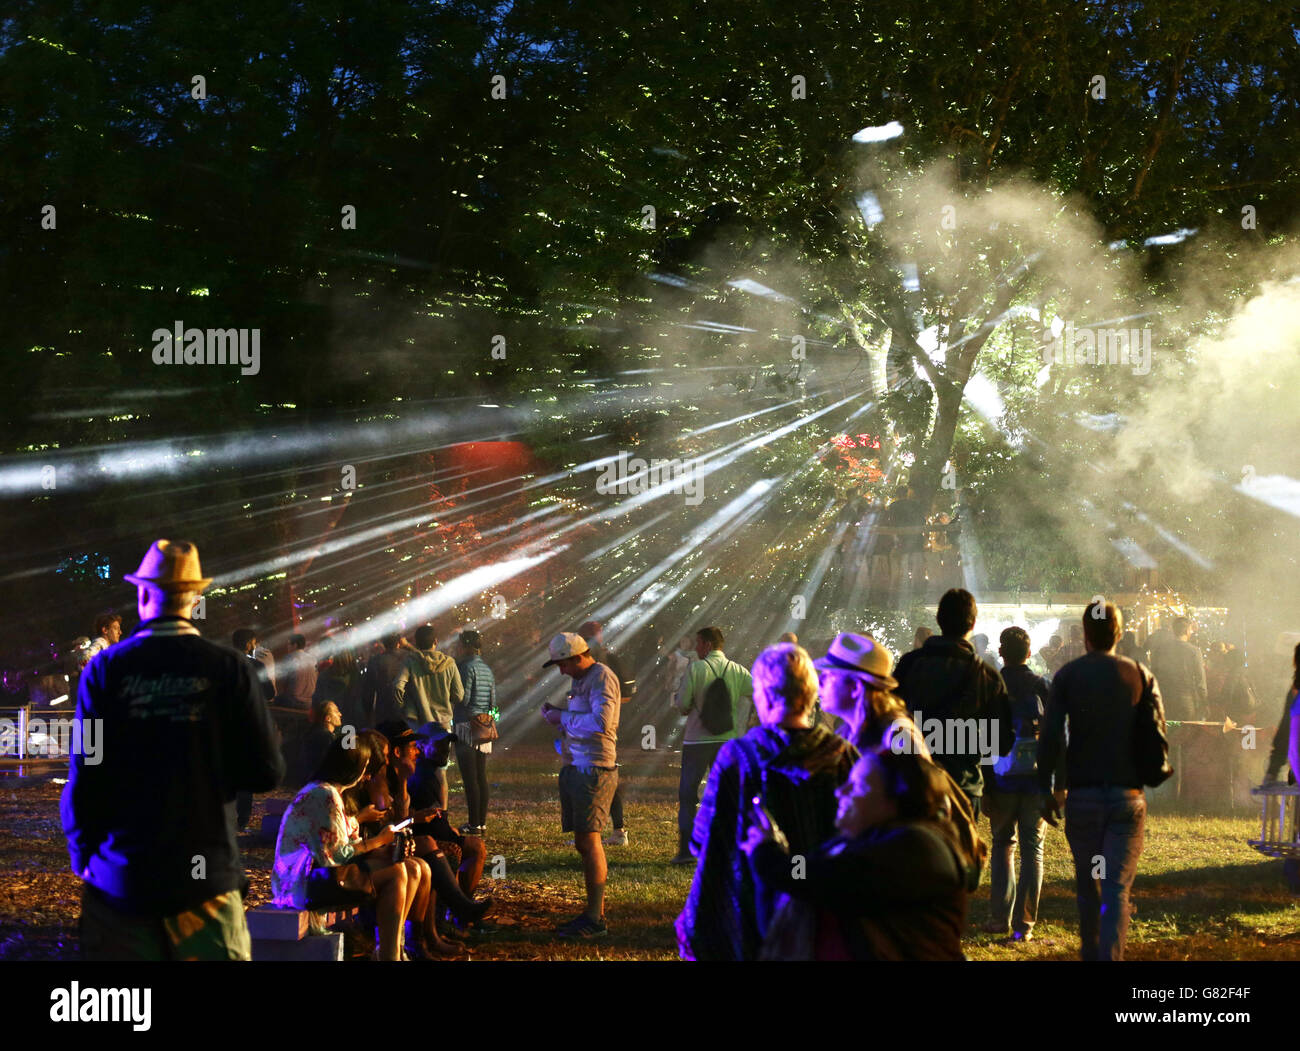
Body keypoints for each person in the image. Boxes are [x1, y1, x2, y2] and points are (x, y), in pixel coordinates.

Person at [61, 539, 284, 960]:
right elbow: (266, 771)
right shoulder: (230, 669)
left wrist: (85, 855)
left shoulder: (105, 670)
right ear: (195, 598)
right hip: (206, 884)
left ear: (143, 593)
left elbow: (86, 770)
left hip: (123, 881)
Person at [675, 643, 857, 960]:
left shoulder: (739, 756)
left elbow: (703, 839)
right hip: (824, 910)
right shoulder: (842, 755)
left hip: (748, 912)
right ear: (812, 693)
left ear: (765, 695)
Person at [742, 748, 973, 960]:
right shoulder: (857, 841)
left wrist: (769, 855)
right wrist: (777, 853)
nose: (841, 791)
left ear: (897, 800)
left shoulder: (919, 847)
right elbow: (808, 867)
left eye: (858, 785)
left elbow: (824, 876)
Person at [1039, 600, 1165, 961]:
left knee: (1089, 884)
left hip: (1084, 796)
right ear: (1119, 634)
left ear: (1084, 634)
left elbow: (1051, 736)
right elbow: (1155, 731)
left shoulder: (1068, 676)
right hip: (1127, 796)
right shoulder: (1139, 674)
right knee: (1115, 888)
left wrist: (1048, 787)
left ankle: (1091, 953)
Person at [272, 733, 420, 961]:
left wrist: (378, 847)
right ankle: (388, 955)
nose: (366, 775)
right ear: (353, 768)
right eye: (364, 768)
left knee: (409, 867)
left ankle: (394, 950)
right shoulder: (325, 795)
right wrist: (378, 842)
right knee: (397, 872)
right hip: (300, 885)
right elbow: (337, 856)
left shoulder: (329, 792)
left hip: (312, 876)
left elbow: (339, 846)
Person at [892, 588, 1013, 820]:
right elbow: (1001, 743)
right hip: (963, 790)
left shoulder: (909, 665)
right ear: (973, 624)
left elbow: (887, 719)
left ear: (939, 620)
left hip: (913, 784)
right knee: (959, 856)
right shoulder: (986, 675)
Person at [376, 721, 493, 952]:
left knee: (462, 848)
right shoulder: (395, 778)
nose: (417, 751)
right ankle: (431, 933)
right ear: (398, 751)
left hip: (404, 842)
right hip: (387, 846)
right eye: (413, 747)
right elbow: (394, 824)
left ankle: (451, 919)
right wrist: (407, 794)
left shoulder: (411, 774)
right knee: (431, 853)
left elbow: (403, 819)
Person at [540, 633, 620, 937]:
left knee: (590, 842)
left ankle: (595, 919)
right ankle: (592, 913)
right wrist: (560, 719)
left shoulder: (602, 677)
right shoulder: (581, 680)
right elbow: (583, 717)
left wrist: (563, 716)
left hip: (593, 768)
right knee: (584, 843)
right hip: (578, 766)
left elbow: (603, 722)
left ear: (578, 657)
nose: (561, 671)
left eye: (563, 664)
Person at [983, 627, 1050, 942]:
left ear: (1001, 651)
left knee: (1002, 844)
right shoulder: (1041, 686)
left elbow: (980, 737)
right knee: (1032, 849)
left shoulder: (990, 687)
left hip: (1000, 778)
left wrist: (984, 785)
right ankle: (1024, 925)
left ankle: (999, 918)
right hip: (1036, 779)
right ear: (1029, 652)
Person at [671, 627, 755, 864]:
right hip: (728, 740)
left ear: (707, 644)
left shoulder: (695, 669)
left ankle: (686, 851)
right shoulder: (738, 670)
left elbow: (683, 704)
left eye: (698, 643)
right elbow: (758, 692)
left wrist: (685, 704)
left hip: (697, 740)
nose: (696, 648)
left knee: (688, 795)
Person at [813, 632, 925, 756]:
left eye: (829, 675)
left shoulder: (896, 738)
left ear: (856, 687)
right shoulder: (846, 732)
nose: (820, 681)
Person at [392, 624, 464, 808]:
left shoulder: (410, 662)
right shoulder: (449, 663)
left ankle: (414, 810)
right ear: (436, 642)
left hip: (417, 723)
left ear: (416, 642)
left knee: (414, 768)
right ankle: (443, 812)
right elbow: (459, 695)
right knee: (441, 773)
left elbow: (397, 686)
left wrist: (402, 706)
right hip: (441, 725)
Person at [578, 620, 634, 847]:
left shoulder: (604, 661)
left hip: (599, 731)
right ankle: (605, 831)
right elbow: (627, 692)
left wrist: (603, 707)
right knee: (600, 778)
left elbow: (626, 692)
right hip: (599, 729)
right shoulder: (603, 659)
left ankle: (606, 832)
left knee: (598, 778)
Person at [231, 627, 277, 830]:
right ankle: (242, 819)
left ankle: (224, 814)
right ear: (249, 643)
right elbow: (269, 692)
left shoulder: (223, 664)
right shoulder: (256, 666)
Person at [452, 630, 495, 836]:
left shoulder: (465, 667)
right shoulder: (487, 668)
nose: (457, 648)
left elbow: (464, 698)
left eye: (459, 644)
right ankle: (482, 822)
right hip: (485, 724)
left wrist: (451, 699)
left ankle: (473, 824)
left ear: (465, 646)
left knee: (469, 779)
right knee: (481, 776)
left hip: (466, 725)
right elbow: (493, 701)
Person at [1150, 616, 1206, 722]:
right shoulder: (1194, 651)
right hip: (1185, 699)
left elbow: (1153, 674)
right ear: (1186, 630)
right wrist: (1204, 701)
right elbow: (1200, 679)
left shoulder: (1160, 650)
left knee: (1169, 732)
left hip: (1165, 698)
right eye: (1190, 629)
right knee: (1185, 733)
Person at [360, 632, 405, 725]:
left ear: (383, 643)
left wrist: (368, 715)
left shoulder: (375, 661)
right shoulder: (409, 657)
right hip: (407, 712)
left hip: (384, 712)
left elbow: (368, 691)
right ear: (399, 642)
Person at [278, 634, 317, 711]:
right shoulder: (313, 659)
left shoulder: (289, 658)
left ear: (295, 645)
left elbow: (283, 683)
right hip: (309, 702)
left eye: (289, 644)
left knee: (272, 701)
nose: (287, 647)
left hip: (293, 701)